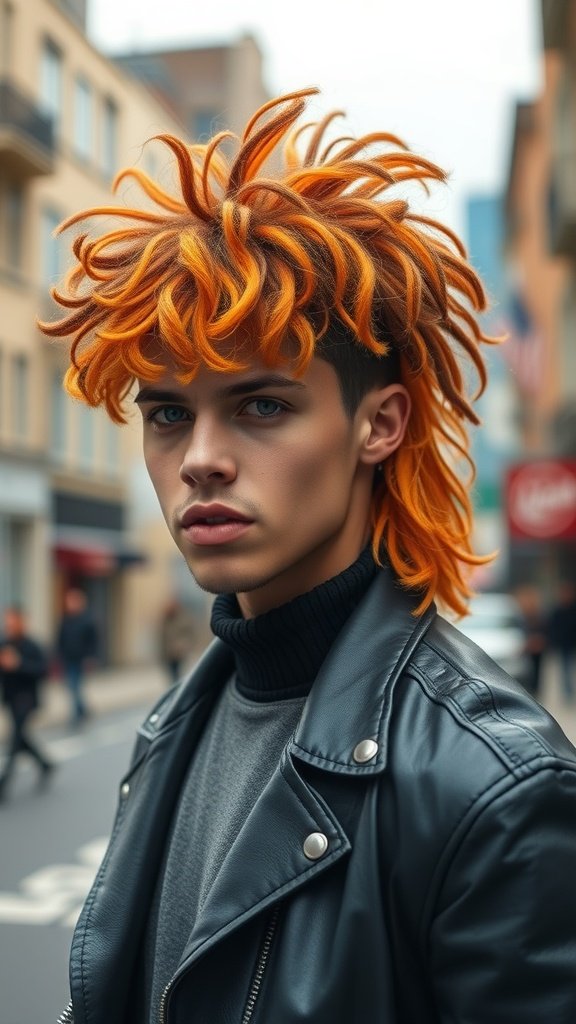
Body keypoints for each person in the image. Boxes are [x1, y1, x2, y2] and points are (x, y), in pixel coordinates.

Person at [40, 89, 576, 1024]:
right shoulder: (175, 721)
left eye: (261, 405)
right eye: (168, 413)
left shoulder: (493, 784)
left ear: (379, 424)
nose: (200, 458)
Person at [0, 606, 54, 801]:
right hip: (10, 698)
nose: (10, 625)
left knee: (15, 739)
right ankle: (45, 764)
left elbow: (42, 670)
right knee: (21, 736)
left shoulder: (32, 646)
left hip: (27, 699)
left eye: (13, 621)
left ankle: (3, 782)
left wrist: (19, 664)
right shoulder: (4, 644)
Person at [55, 587, 99, 725]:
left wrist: (90, 657)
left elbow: (93, 641)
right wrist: (58, 656)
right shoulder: (65, 620)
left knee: (75, 686)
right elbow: (60, 639)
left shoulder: (87, 621)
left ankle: (77, 714)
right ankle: (82, 710)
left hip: (81, 659)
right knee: (72, 686)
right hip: (68, 658)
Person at [547, 581, 576, 703]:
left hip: (572, 643)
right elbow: (553, 628)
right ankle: (567, 692)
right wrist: (554, 641)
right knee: (565, 669)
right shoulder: (557, 610)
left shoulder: (573, 610)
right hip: (564, 644)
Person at [159, 598, 197, 684]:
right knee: (171, 673)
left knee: (177, 673)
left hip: (179, 653)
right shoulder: (166, 619)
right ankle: (175, 686)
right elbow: (162, 637)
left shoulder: (184, 619)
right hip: (168, 653)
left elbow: (190, 634)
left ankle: (178, 686)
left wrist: (184, 645)